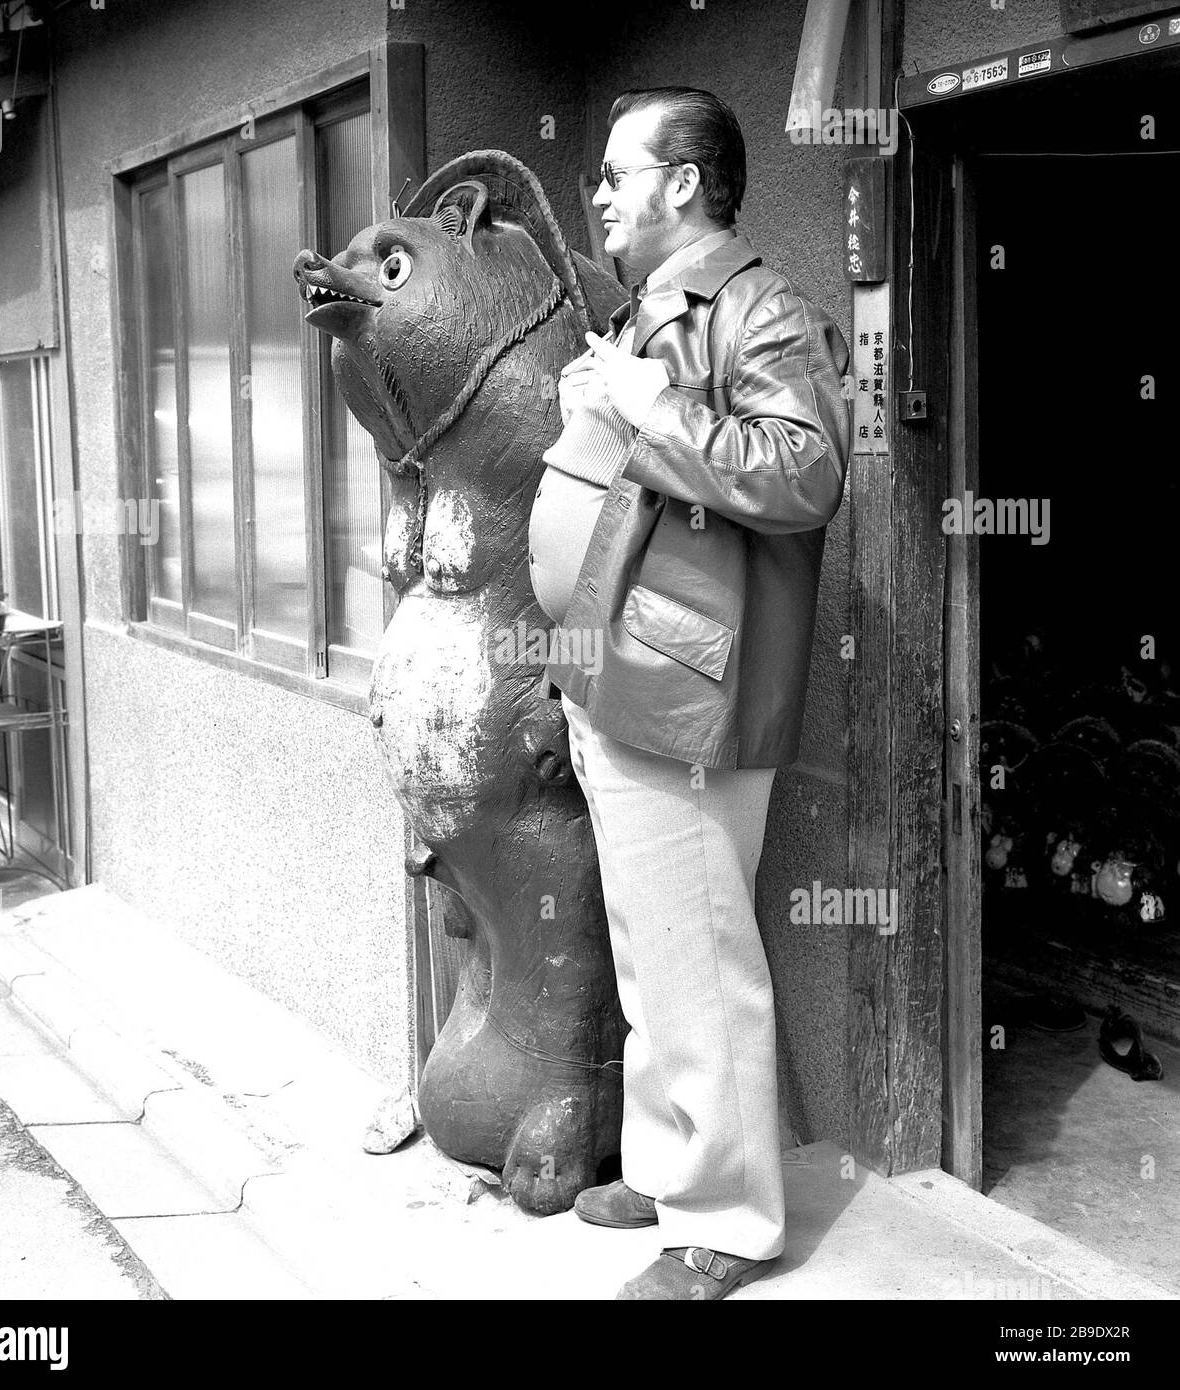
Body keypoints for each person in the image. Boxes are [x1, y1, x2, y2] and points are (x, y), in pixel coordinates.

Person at [529, 87, 850, 1300]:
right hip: (617, 670)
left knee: (698, 956)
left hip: (690, 693)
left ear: (683, 184)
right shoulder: (652, 312)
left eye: (616, 172)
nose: (598, 192)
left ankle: (729, 1217)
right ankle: (671, 1165)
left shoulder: (759, 308)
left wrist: (648, 409)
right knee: (649, 945)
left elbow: (807, 468)